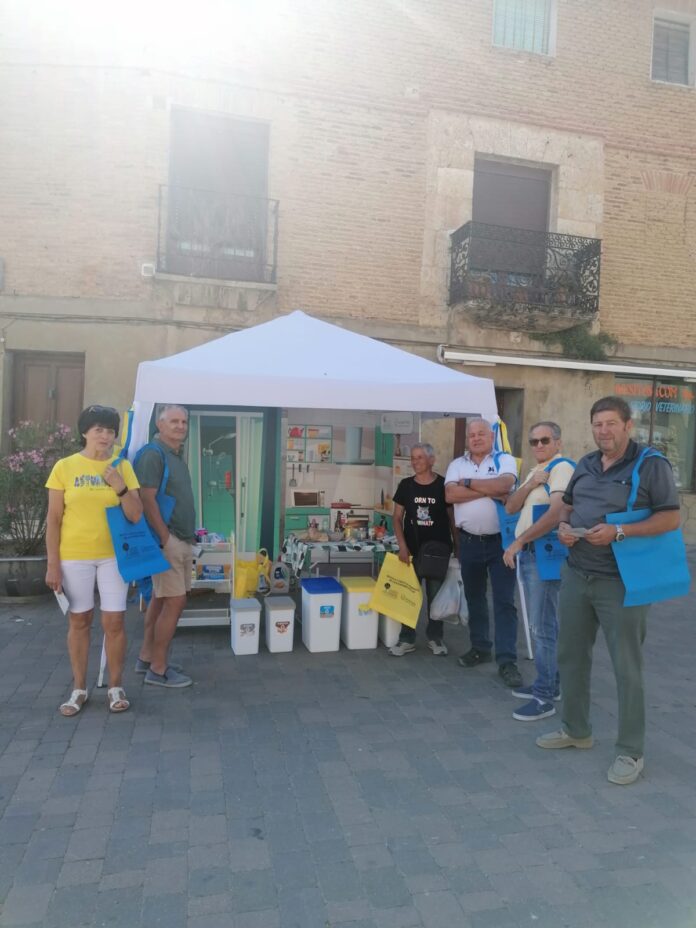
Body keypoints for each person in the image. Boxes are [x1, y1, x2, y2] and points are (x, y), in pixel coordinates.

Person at [536, 396, 681, 785]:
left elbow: (671, 516)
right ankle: (576, 730)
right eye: (598, 424)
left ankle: (631, 751)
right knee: (571, 656)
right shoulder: (584, 464)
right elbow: (566, 507)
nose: (604, 431)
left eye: (611, 424)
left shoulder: (651, 465)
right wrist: (564, 528)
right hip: (578, 574)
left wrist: (620, 531)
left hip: (623, 583)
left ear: (627, 425)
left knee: (627, 668)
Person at [45, 405, 142, 716]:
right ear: (84, 432)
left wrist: (120, 486)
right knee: (79, 621)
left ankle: (115, 686)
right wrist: (52, 564)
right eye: (98, 429)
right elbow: (54, 519)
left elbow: (136, 514)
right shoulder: (65, 466)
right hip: (74, 557)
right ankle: (79, 688)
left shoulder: (122, 466)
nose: (105, 435)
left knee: (114, 621)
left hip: (114, 556)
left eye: (110, 430)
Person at [502, 422, 575, 721]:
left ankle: (544, 697)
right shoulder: (537, 471)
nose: (538, 446)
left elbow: (558, 512)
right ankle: (550, 684)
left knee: (542, 628)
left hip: (543, 558)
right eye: (533, 441)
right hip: (533, 558)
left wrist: (519, 541)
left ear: (558, 442)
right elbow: (510, 507)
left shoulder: (563, 469)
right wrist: (531, 484)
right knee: (543, 626)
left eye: (545, 440)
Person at [445, 418, 522, 687]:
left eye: (481, 434)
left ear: (491, 437)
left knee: (504, 602)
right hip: (469, 542)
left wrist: (468, 483)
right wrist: (486, 489)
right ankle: (480, 647)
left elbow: (504, 486)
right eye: (472, 435)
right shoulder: (457, 464)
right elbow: (450, 496)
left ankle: (507, 660)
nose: (476, 438)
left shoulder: (505, 460)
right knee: (474, 597)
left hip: (502, 543)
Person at [134, 404, 196, 688]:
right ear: (159, 425)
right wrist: (164, 537)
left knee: (160, 600)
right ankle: (158, 669)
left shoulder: (174, 455)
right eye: (174, 421)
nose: (180, 426)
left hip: (178, 539)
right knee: (175, 601)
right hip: (168, 540)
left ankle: (148, 657)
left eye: (184, 421)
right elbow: (146, 499)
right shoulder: (153, 454)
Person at [388, 443, 458, 657]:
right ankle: (406, 638)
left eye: (419, 457)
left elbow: (452, 519)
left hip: (438, 552)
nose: (415, 461)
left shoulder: (443, 485)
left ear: (431, 460)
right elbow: (397, 518)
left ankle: (435, 638)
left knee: (436, 598)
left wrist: (458, 547)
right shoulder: (406, 486)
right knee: (409, 596)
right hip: (412, 552)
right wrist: (402, 546)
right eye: (413, 458)